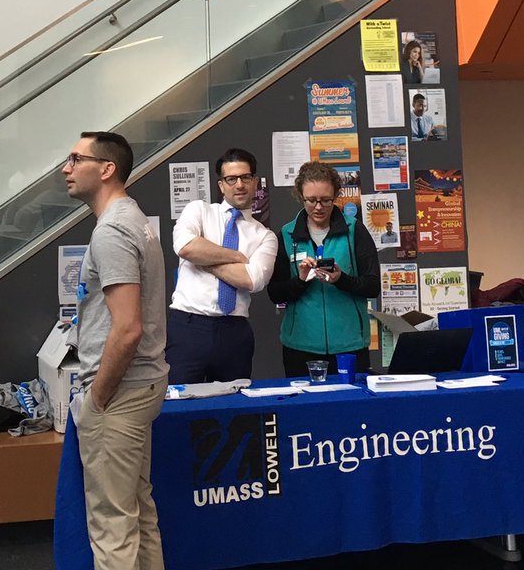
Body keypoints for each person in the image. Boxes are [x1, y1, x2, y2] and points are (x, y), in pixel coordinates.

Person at [63, 131, 168, 570]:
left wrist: (97, 399)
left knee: (112, 527)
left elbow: (126, 329)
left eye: (74, 159)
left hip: (120, 393)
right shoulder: (133, 220)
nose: (65, 169)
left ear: (106, 169)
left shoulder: (113, 231)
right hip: (140, 386)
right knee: (136, 513)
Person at [165, 148, 278, 383]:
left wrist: (205, 258)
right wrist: (236, 257)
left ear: (255, 182)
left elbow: (252, 280)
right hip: (188, 327)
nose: (239, 185)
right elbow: (186, 248)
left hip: (233, 332)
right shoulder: (199, 210)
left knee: (234, 410)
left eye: (246, 177)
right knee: (178, 404)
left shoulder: (265, 235)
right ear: (221, 185)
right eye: (231, 179)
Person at [267, 162, 380, 377]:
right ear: (300, 196)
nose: (318, 207)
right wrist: (300, 280)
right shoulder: (287, 234)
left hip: (349, 345)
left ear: (336, 195)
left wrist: (341, 279)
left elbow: (373, 286)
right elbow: (275, 293)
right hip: (300, 346)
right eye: (311, 200)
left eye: (326, 200)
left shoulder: (354, 230)